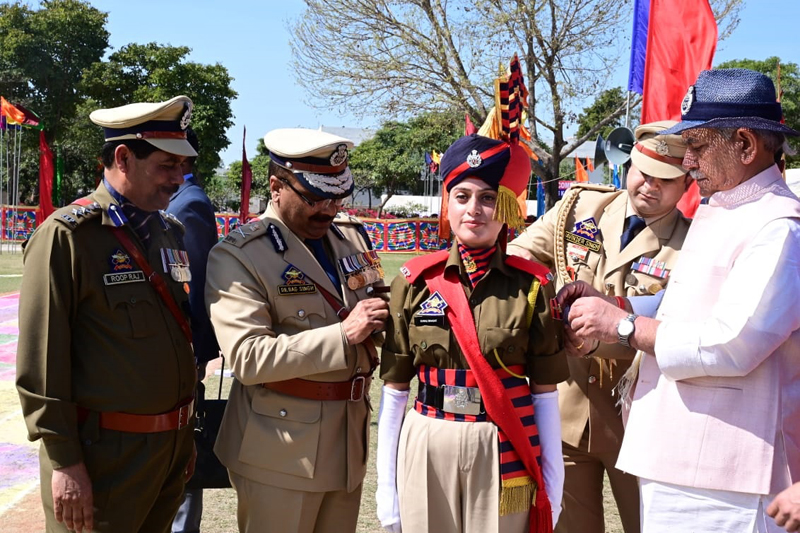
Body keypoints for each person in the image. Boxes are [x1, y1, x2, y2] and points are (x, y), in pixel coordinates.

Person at [559, 68, 800, 532]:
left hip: (729, 478)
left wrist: (624, 329)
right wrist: (619, 307)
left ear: (746, 146)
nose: (686, 161)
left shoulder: (777, 226)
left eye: (698, 145)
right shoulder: (731, 208)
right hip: (687, 460)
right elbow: (690, 305)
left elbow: (730, 343)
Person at [16, 96, 199, 533]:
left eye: (182, 166)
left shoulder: (168, 231)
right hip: (103, 459)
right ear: (123, 157)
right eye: (167, 165)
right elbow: (41, 366)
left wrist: (182, 434)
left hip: (167, 450)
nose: (180, 179)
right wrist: (65, 462)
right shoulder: (67, 238)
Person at [377, 133, 568, 533]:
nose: (474, 210)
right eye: (461, 196)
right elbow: (394, 392)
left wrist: (554, 486)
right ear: (448, 203)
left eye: (487, 198)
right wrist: (385, 492)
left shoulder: (532, 286)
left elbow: (546, 394)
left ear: (507, 207)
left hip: (503, 444)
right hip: (427, 438)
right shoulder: (415, 282)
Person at [507, 121, 691, 533]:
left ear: (687, 183)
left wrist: (595, 337)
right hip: (566, 412)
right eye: (644, 172)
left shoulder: (692, 246)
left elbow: (671, 330)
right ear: (630, 163)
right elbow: (518, 258)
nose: (650, 186)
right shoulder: (580, 207)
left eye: (666, 180)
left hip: (641, 423)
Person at [205, 128, 389, 533]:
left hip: (347, 443)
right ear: (276, 186)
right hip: (280, 449)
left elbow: (379, 308)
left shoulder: (351, 240)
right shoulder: (240, 255)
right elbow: (248, 358)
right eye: (314, 197)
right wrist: (344, 335)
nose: (329, 209)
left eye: (338, 197)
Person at [167, 128, 221, 533]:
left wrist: (196, 356)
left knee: (184, 454)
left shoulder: (190, 206)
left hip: (182, 357)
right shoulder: (177, 200)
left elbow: (194, 285)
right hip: (166, 356)